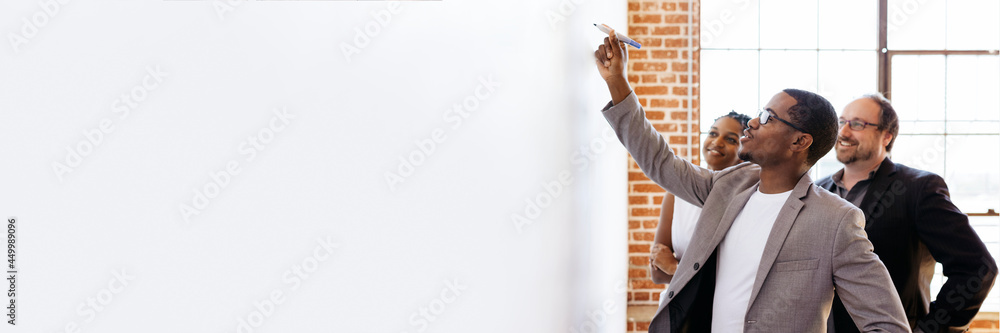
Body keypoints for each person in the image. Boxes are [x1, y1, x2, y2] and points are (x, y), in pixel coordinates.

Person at [594, 30, 910, 332]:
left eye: (769, 117)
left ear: (800, 142)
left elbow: (887, 324)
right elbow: (660, 161)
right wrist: (617, 82)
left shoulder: (836, 221)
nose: (754, 122)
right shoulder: (728, 186)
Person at [818, 94, 997, 333]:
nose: (844, 131)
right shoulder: (817, 191)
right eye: (842, 122)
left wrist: (932, 329)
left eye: (858, 124)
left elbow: (978, 267)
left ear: (887, 135)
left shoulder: (918, 187)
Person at [649, 111, 750, 285]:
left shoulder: (745, 200)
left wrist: (675, 268)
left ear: (744, 152)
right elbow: (657, 274)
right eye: (713, 133)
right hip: (678, 307)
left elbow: (730, 281)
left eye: (731, 139)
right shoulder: (676, 193)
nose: (717, 142)